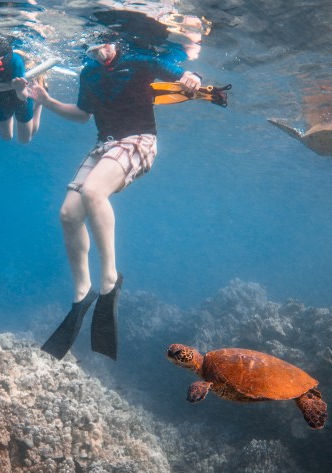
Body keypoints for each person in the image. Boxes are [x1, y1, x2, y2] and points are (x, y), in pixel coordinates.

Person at [27, 38, 202, 361]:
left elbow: (181, 75)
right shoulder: (89, 72)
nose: (98, 51)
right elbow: (81, 114)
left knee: (93, 192)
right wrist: (45, 99)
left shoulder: (140, 58)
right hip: (104, 145)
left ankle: (110, 278)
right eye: (92, 48)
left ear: (115, 40)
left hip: (139, 141)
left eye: (103, 45)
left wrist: (193, 80)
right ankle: (82, 291)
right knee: (67, 214)